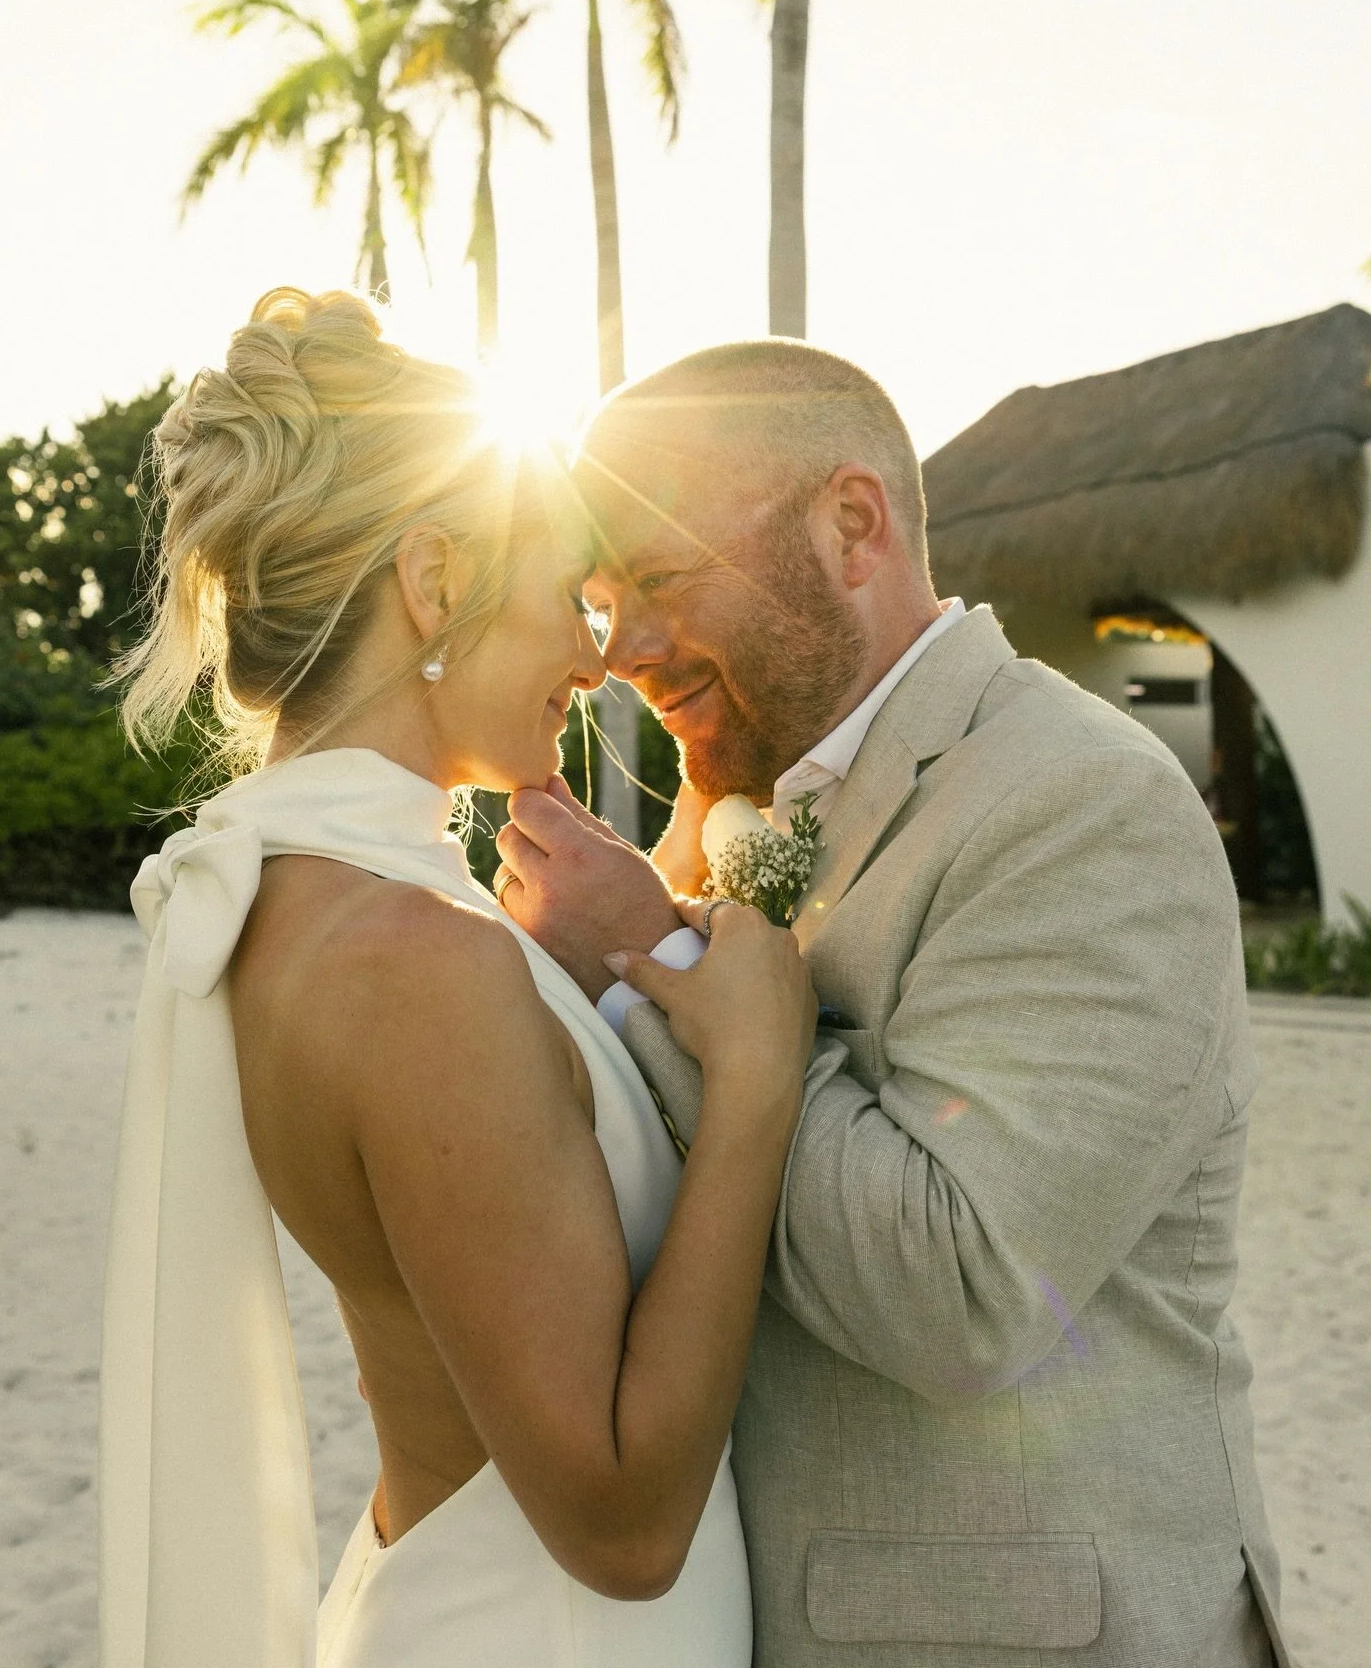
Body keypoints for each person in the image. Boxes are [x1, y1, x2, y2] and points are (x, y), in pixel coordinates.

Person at [498, 339, 1292, 1668]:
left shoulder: (1085, 803)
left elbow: (970, 1291)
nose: (624, 648)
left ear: (852, 526)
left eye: (662, 579)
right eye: (598, 598)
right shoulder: (729, 811)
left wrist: (653, 969)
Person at [98, 291, 818, 1668]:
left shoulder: (307, 903)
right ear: (432, 582)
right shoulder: (411, 960)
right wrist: (757, 1089)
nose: (594, 651)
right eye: (565, 591)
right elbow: (620, 1529)